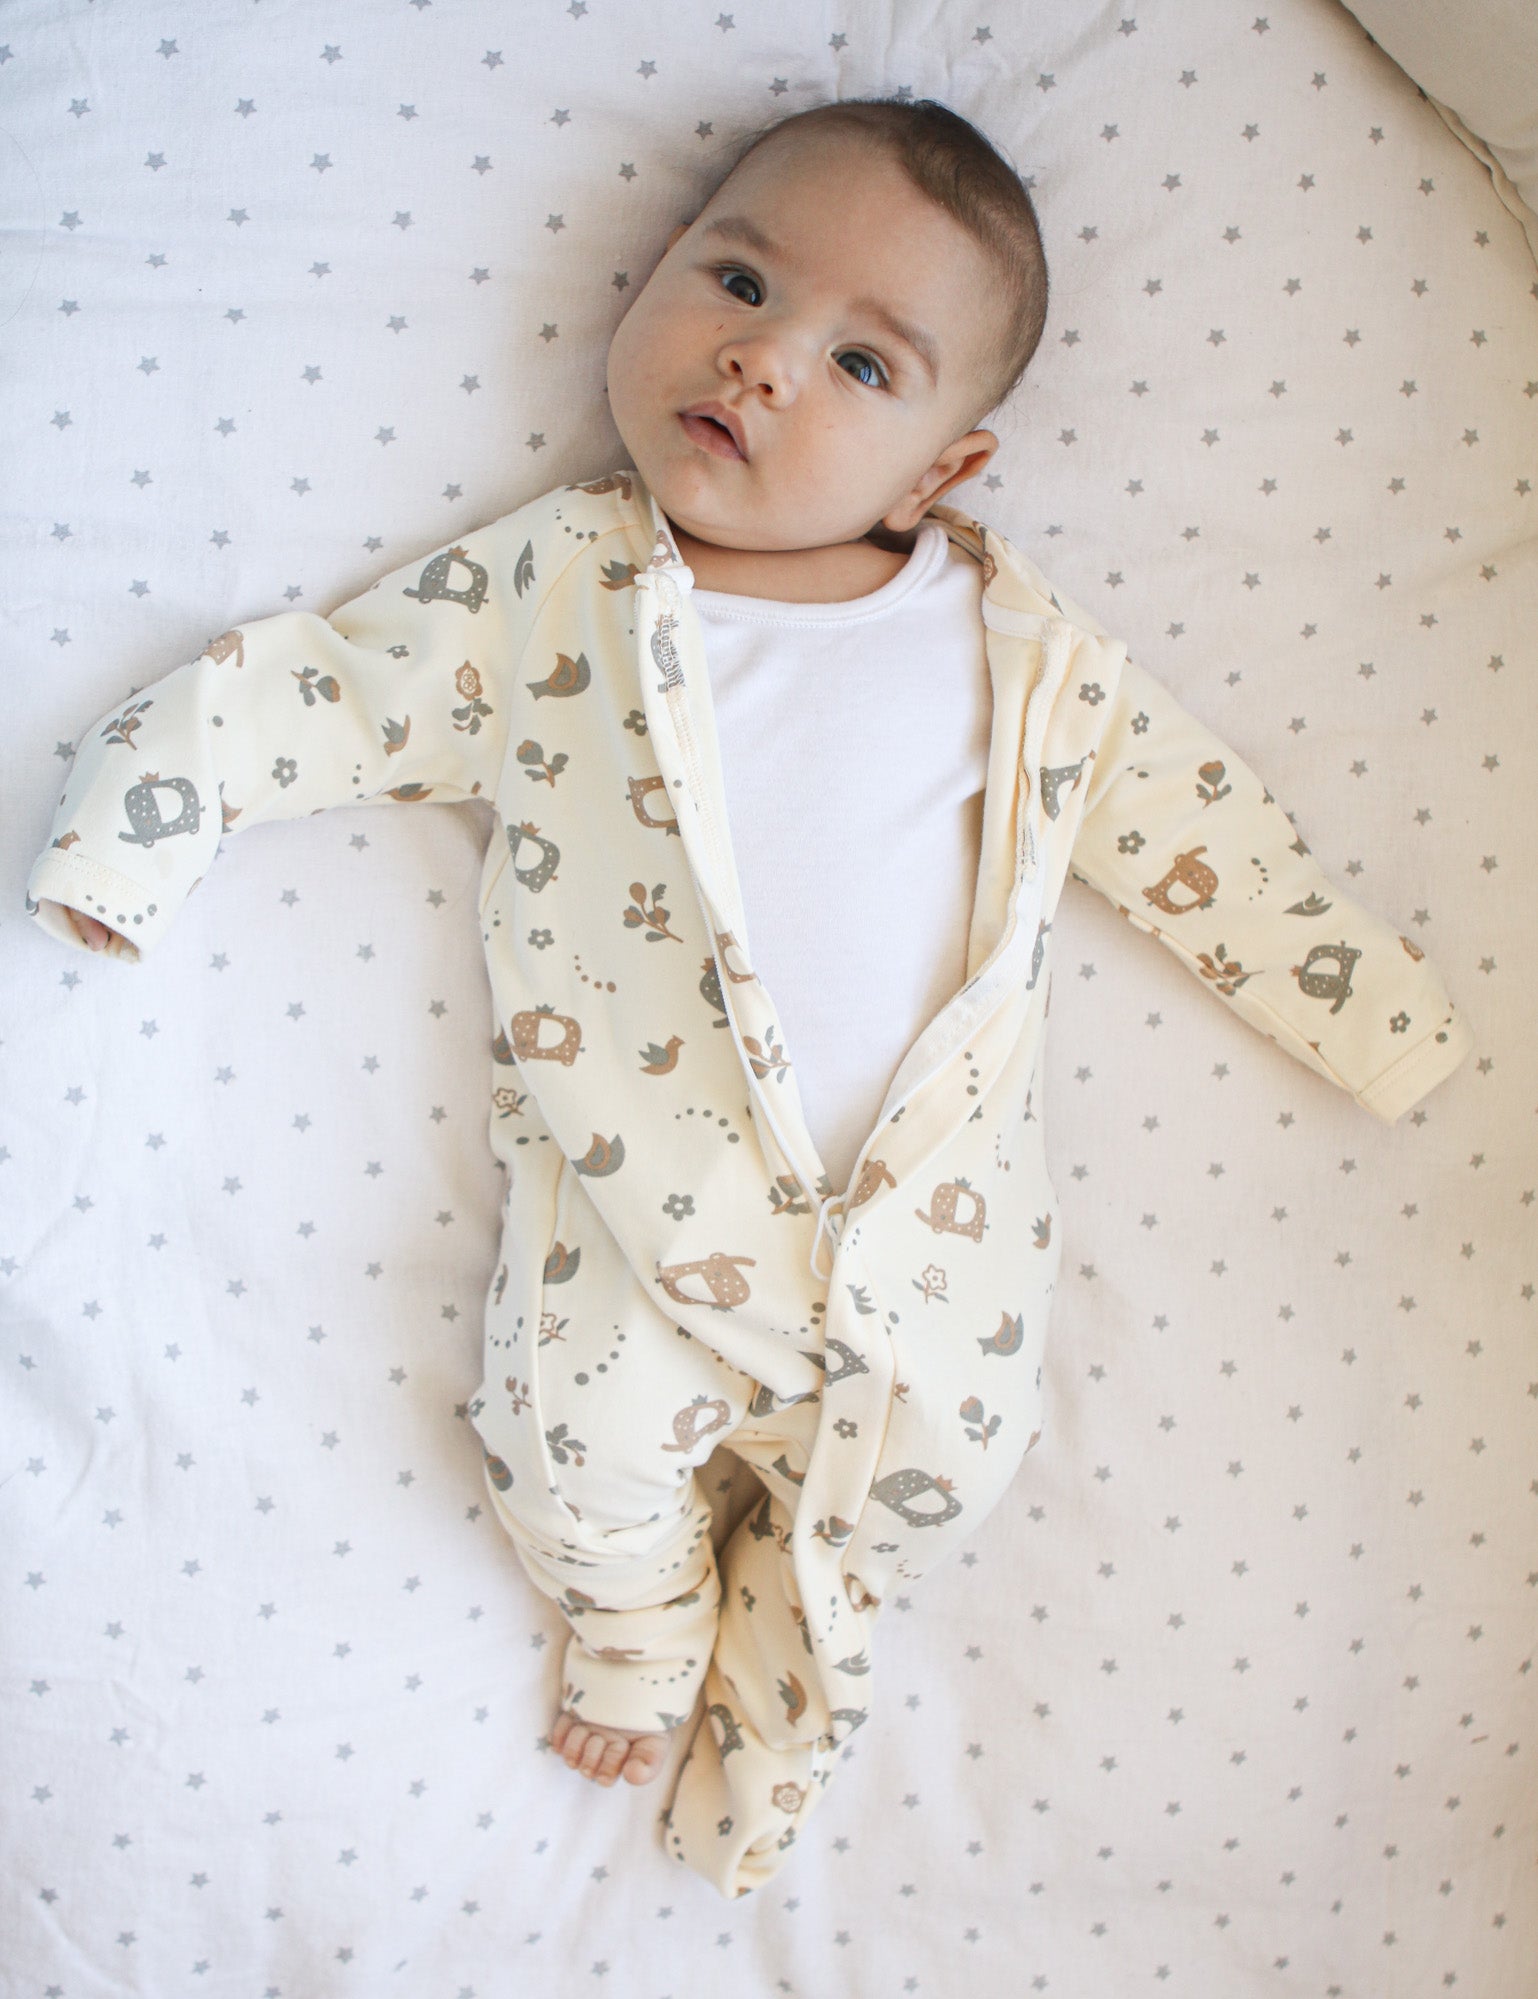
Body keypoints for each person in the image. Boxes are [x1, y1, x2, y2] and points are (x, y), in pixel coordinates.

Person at [26, 97, 1473, 1899]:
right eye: (735, 282)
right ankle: (641, 1627)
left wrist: (1382, 1024)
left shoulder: (1022, 657)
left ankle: (799, 1648)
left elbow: (1212, 849)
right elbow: (315, 690)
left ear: (940, 470)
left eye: (862, 363)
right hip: (647, 1208)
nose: (764, 361)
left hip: (931, 1231)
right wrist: (131, 831)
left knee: (947, 1469)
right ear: (648, 277)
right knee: (565, 1438)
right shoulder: (556, 591)